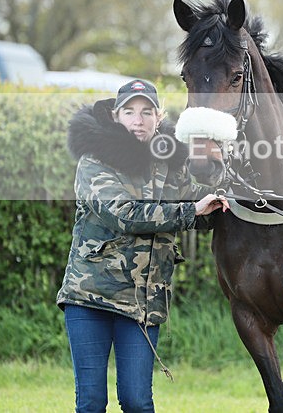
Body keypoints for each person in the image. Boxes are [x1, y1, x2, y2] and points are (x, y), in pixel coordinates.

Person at [56, 79, 228, 413]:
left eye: (147, 112)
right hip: (90, 299)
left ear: (158, 117)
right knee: (91, 401)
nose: (139, 119)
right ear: (116, 116)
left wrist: (222, 192)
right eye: (131, 112)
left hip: (143, 305)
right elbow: (125, 215)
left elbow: (198, 208)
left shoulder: (168, 165)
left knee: (137, 401)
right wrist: (192, 210)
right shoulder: (94, 162)